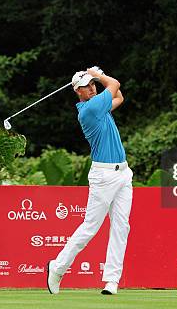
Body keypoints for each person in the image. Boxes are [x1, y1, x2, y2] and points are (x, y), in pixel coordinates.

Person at [47, 67, 133, 295]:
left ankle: (112, 281)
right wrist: (99, 73)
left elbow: (119, 97)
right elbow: (115, 84)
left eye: (93, 83)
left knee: (121, 227)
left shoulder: (99, 106)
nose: (92, 87)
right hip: (104, 176)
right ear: (78, 92)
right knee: (90, 228)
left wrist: (97, 75)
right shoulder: (89, 110)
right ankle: (57, 267)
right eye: (87, 85)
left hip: (123, 173)